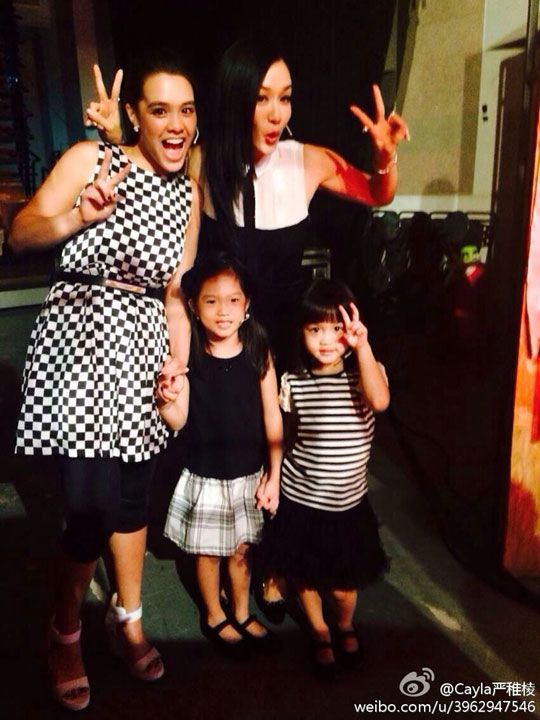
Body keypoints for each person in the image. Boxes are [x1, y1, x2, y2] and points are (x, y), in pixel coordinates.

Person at [89, 36, 407, 613]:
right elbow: (149, 169)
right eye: (262, 97)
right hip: (221, 330)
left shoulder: (307, 159)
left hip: (286, 333)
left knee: (287, 445)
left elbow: (375, 193)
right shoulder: (204, 160)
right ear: (237, 98)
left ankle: (274, 562)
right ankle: (219, 549)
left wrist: (384, 157)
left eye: (285, 97)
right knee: (227, 443)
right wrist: (117, 136)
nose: (276, 112)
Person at [10, 49, 200, 711]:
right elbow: (20, 232)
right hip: (80, 345)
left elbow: (174, 293)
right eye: (160, 110)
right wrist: (77, 218)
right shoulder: (91, 159)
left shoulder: (188, 194)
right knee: (89, 509)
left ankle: (128, 620)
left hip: (144, 351)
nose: (175, 124)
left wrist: (178, 365)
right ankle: (64, 631)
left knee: (133, 502)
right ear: (135, 117)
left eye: (186, 110)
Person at [262, 278, 390, 679]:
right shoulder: (294, 382)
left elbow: (380, 401)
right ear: (301, 333)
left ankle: (344, 623)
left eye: (337, 328)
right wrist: (273, 478)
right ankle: (318, 628)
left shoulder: (366, 375)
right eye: (315, 328)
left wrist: (362, 346)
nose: (326, 339)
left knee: (343, 584)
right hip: (302, 500)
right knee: (306, 575)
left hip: (347, 505)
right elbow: (285, 435)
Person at [157, 253, 283, 656]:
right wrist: (165, 399)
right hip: (206, 475)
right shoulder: (191, 357)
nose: (223, 311)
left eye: (233, 300)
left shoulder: (258, 350)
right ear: (195, 307)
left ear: (247, 305)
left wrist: (274, 474)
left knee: (243, 550)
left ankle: (242, 611)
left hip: (249, 474)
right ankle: (214, 614)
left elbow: (272, 415)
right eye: (211, 301)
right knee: (209, 552)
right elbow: (177, 420)